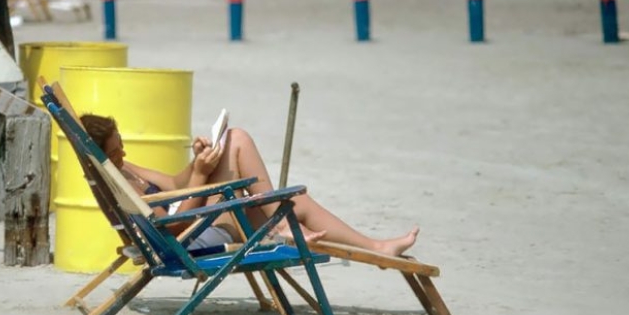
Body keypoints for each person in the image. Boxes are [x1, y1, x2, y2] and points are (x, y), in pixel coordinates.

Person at [80, 114, 420, 256]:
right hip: (186, 239)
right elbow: (171, 225)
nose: (122, 152)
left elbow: (172, 184)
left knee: (296, 202)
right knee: (238, 139)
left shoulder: (122, 167)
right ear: (99, 154)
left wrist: (197, 161)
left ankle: (377, 249)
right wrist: (202, 177)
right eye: (115, 149)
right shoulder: (118, 183)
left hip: (197, 222)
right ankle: (279, 225)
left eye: (121, 143)